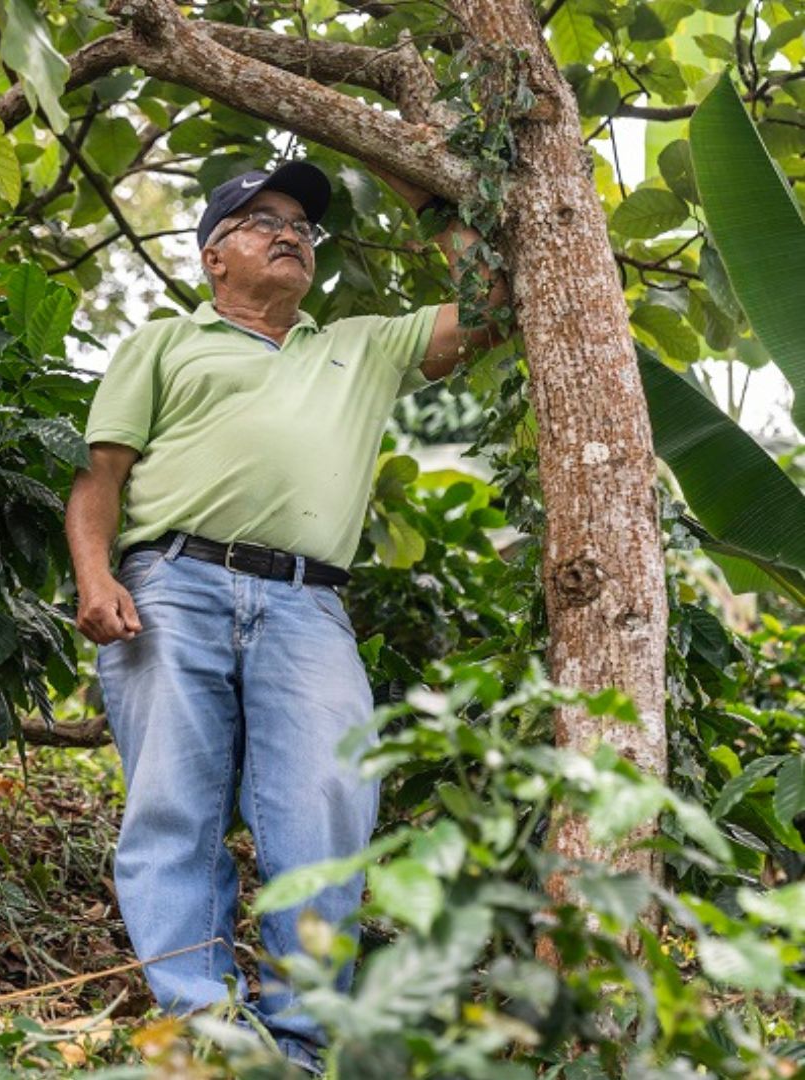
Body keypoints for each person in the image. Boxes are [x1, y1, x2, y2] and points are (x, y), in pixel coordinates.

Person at [65, 158, 510, 1074]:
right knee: (171, 808)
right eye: (261, 220)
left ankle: (299, 1045)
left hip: (310, 604)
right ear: (212, 257)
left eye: (304, 225)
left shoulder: (357, 345)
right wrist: (95, 576)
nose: (292, 233)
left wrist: (421, 189)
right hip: (171, 583)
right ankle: (201, 1034)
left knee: (327, 808)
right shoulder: (163, 341)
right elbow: (97, 479)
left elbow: (492, 302)